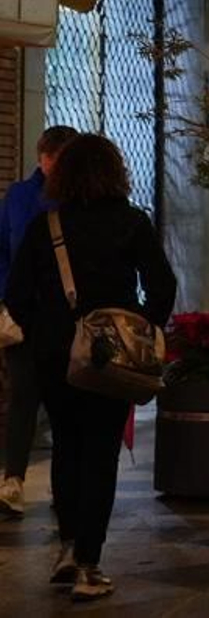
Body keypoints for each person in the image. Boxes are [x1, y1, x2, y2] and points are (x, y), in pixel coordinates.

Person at [3, 134, 176, 600]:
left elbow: (15, 295)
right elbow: (163, 285)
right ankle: (89, 564)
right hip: (110, 356)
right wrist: (142, 329)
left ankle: (67, 546)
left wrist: (47, 331)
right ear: (115, 172)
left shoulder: (46, 226)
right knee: (100, 453)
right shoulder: (131, 222)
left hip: (56, 357)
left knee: (67, 447)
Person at [0, 125, 78, 518]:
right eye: (54, 160)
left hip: (66, 319)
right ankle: (12, 479)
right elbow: (3, 250)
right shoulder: (20, 197)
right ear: (42, 158)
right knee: (23, 395)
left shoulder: (82, 201)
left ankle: (64, 484)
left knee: (65, 399)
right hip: (23, 316)